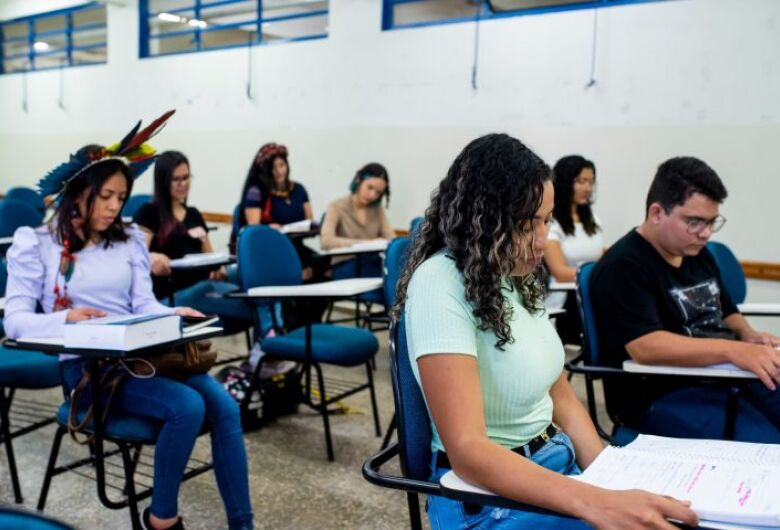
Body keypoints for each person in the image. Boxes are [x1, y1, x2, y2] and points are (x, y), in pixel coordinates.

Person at [393, 133, 698, 530]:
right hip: (486, 499)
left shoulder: (514, 273)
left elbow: (560, 394)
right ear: (482, 220)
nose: (541, 241)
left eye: (547, 220)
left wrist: (609, 474)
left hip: (554, 465)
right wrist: (595, 502)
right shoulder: (440, 282)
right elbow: (468, 451)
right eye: (524, 225)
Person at [3, 112, 253, 530]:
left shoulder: (128, 239)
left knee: (225, 407)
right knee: (187, 407)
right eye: (106, 196)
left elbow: (143, 304)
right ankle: (162, 520)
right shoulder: (38, 244)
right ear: (79, 193)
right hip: (90, 372)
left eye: (121, 197)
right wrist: (68, 318)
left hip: (145, 358)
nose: (115, 206)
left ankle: (243, 525)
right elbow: (15, 323)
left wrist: (172, 313)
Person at [590, 156, 780, 442]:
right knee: (768, 447)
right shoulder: (623, 266)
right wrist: (732, 351)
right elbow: (646, 347)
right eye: (694, 222)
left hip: (724, 375)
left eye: (711, 222)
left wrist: (748, 335)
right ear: (657, 212)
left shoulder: (696, 252)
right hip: (662, 392)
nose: (705, 234)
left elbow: (727, 311)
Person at [133, 150, 250, 324]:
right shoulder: (149, 213)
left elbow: (211, 259)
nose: (183, 184)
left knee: (244, 271)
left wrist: (219, 269)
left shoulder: (194, 214)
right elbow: (136, 255)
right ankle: (271, 321)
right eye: (176, 179)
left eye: (186, 177)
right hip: (174, 293)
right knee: (211, 289)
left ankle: (268, 315)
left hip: (202, 285)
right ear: (163, 181)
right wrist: (152, 256)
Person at [544, 155, 603, 344]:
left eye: (591, 182)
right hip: (566, 298)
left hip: (591, 290)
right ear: (564, 182)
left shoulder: (591, 217)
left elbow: (601, 253)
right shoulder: (551, 220)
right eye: (581, 181)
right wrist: (601, 273)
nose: (588, 188)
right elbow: (560, 272)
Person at [320, 162, 395, 281]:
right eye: (370, 187)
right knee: (390, 275)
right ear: (359, 181)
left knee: (394, 268)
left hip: (371, 262)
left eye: (378, 193)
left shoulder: (377, 209)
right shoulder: (336, 206)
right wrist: (367, 243)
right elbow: (326, 242)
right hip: (345, 264)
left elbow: (391, 239)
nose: (372, 195)